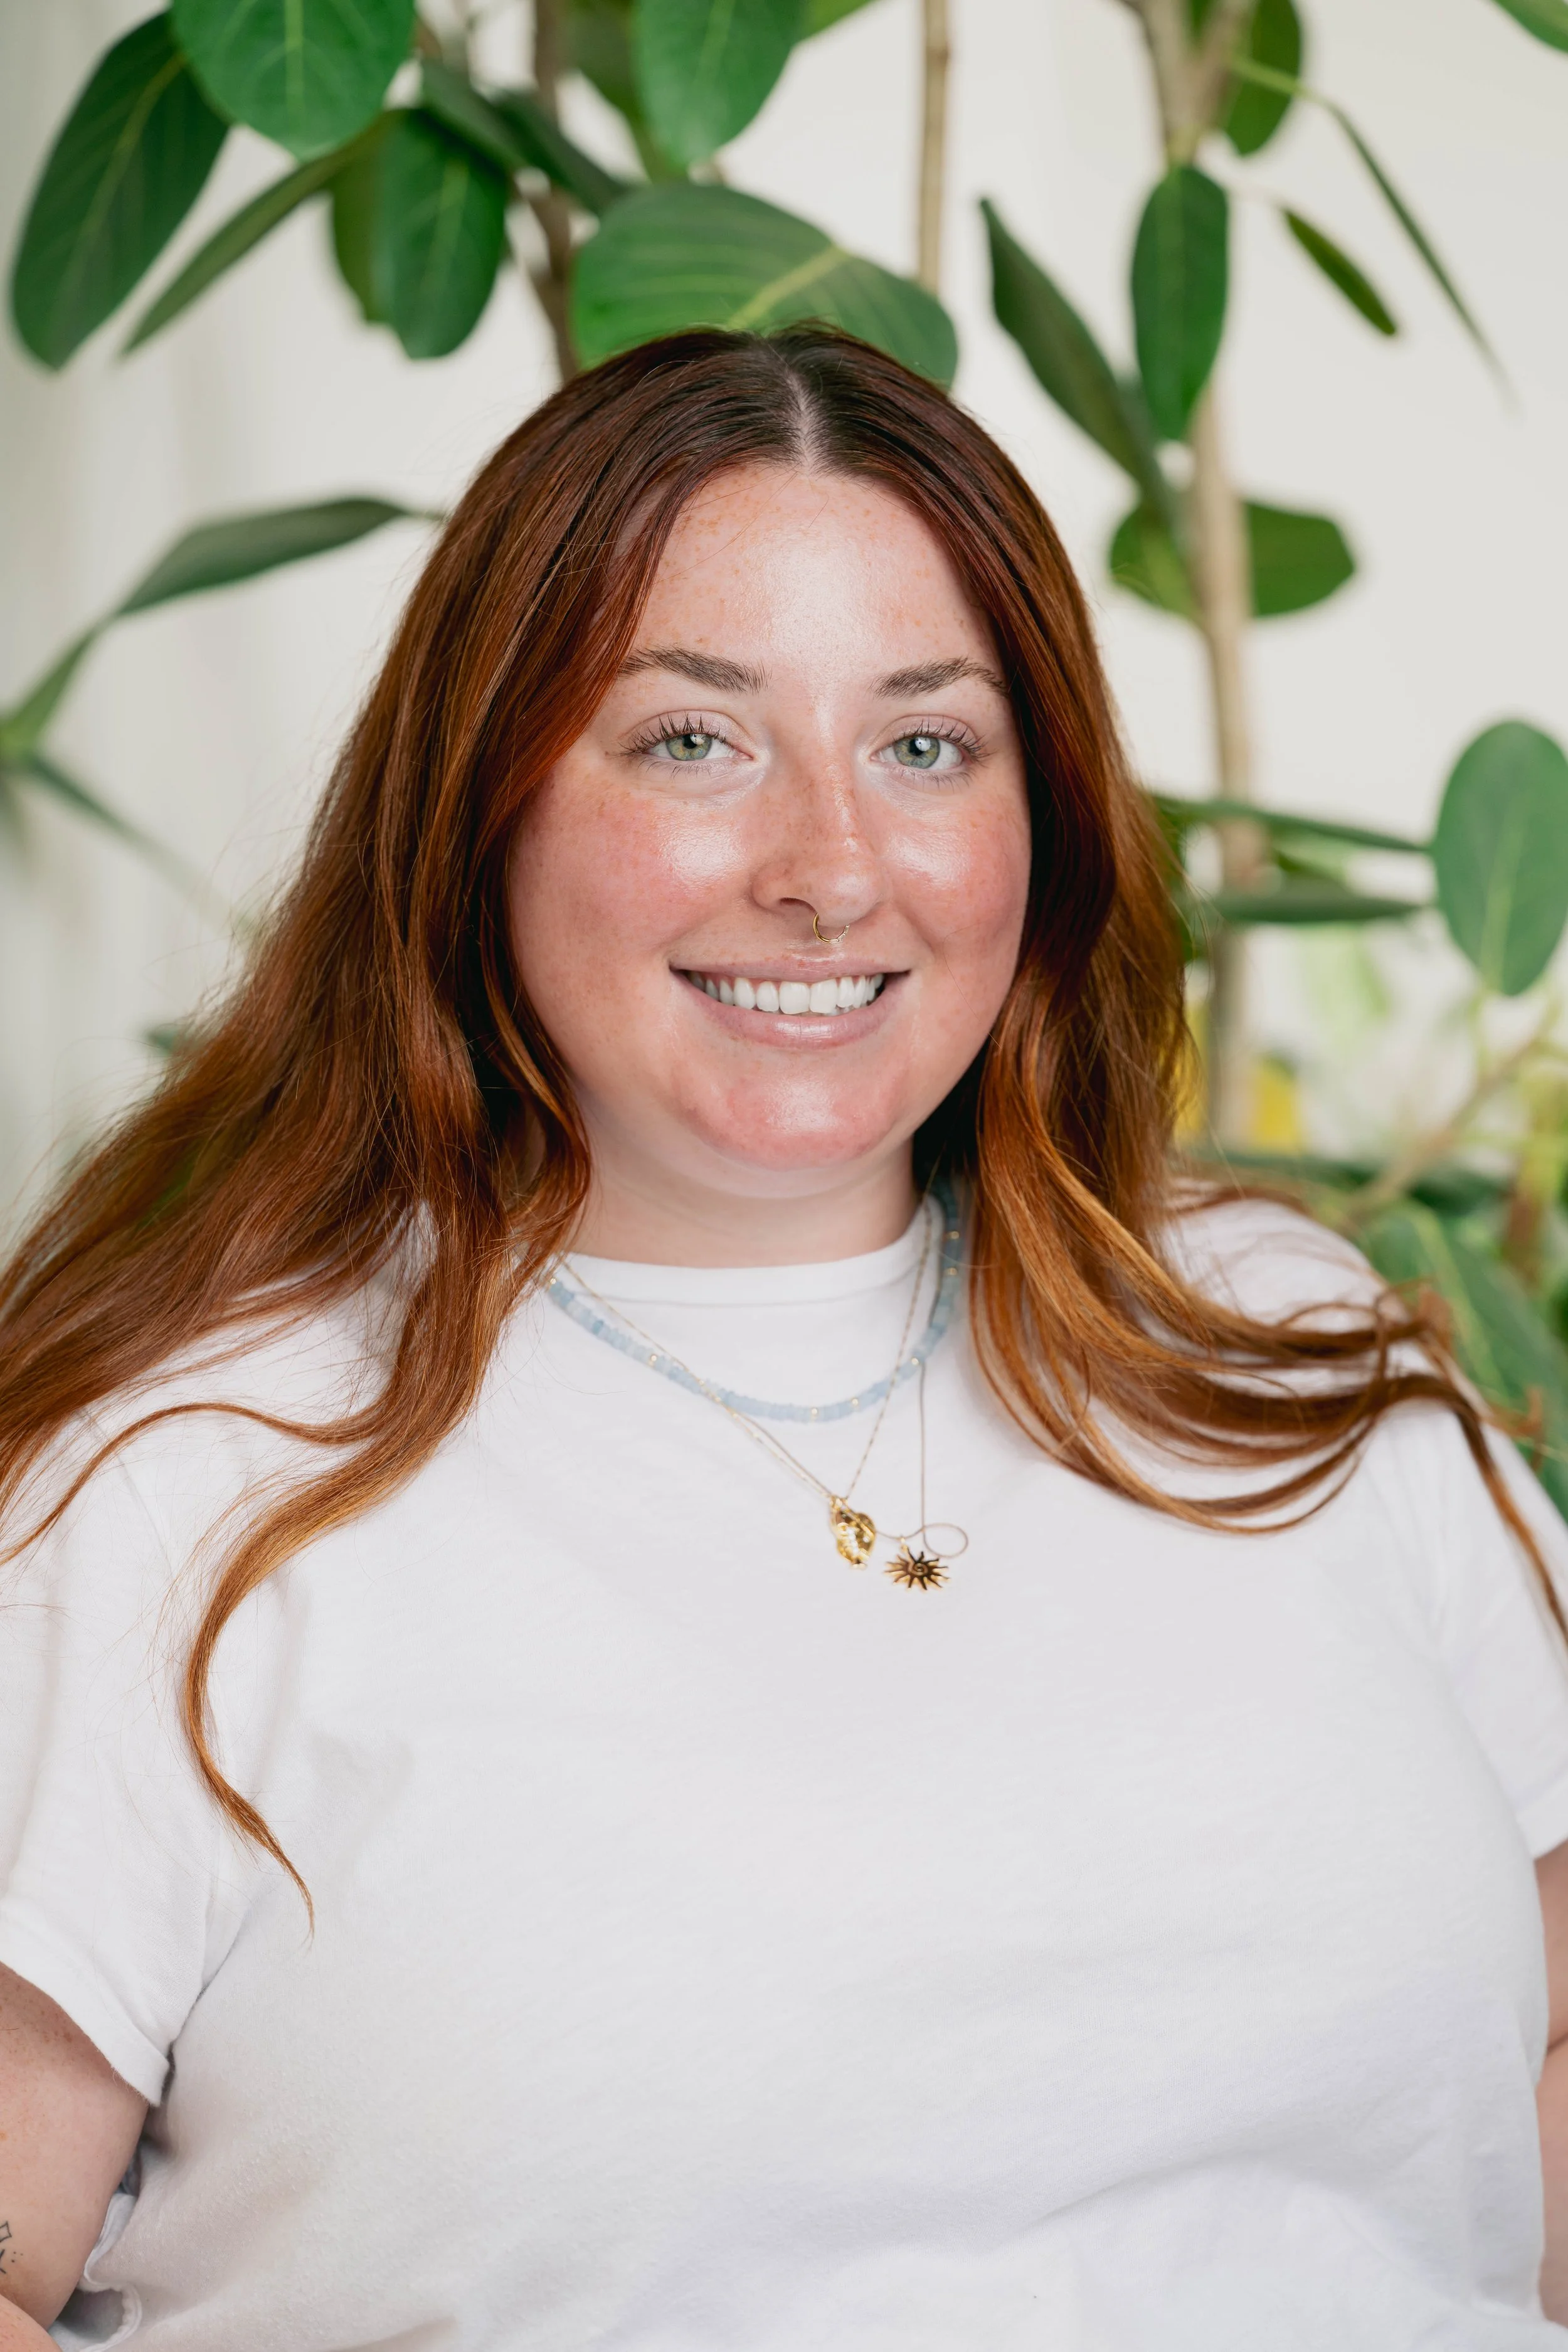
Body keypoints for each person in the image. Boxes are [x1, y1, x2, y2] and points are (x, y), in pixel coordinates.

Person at [1, 326, 1567, 2352]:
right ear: (480, 809)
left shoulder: (1290, 1350)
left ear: (1045, 816)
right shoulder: (191, 1490)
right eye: (689, 739)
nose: (829, 867)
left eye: (925, 744)